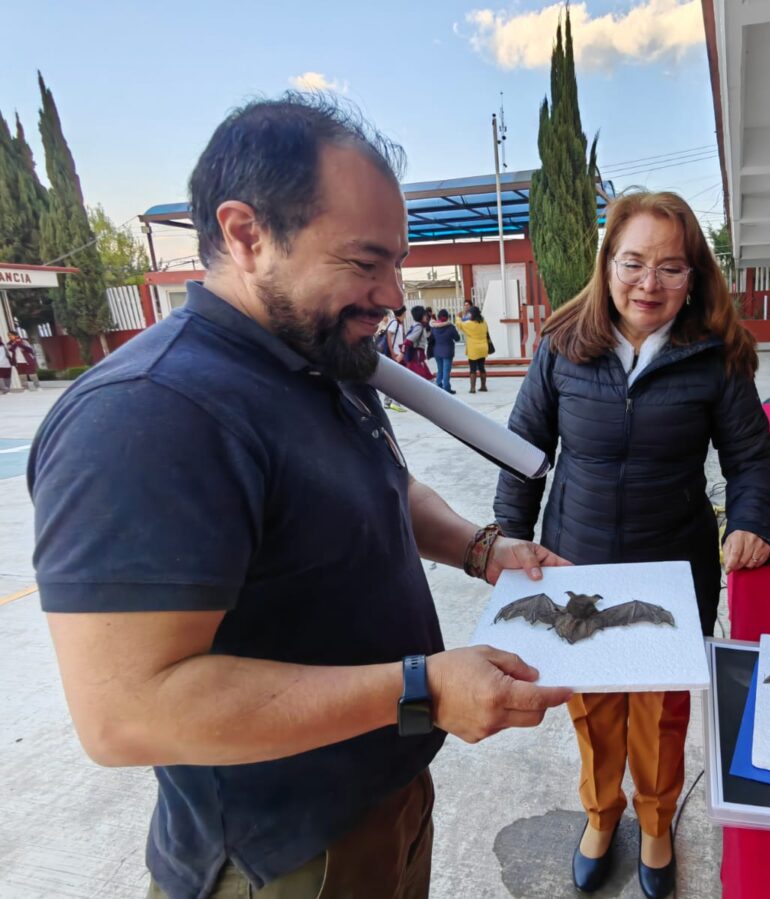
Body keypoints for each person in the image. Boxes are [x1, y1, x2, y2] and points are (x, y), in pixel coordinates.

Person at [28, 94, 572, 899]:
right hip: (283, 861)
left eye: (397, 262)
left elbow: (381, 486)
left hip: (385, 796)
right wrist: (420, 686)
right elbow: (124, 711)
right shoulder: (150, 412)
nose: (393, 293)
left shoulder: (318, 352)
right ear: (247, 234)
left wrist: (481, 548)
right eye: (365, 262)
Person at [493, 190, 770, 899]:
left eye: (671, 267)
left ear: (694, 276)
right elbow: (523, 449)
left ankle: (656, 823)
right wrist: (507, 539)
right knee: (592, 708)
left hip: (670, 568)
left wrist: (752, 520)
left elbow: (750, 460)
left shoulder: (715, 353)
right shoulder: (562, 342)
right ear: (607, 263)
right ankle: (601, 813)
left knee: (660, 711)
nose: (649, 283)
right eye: (633, 262)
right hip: (575, 561)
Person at [456, 306, 491, 394]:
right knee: (482, 367)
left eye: (469, 313)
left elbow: (459, 325)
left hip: (473, 349)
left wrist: (458, 317)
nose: (469, 315)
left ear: (473, 314)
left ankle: (472, 388)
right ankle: (483, 386)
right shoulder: (484, 322)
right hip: (483, 348)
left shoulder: (469, 324)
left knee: (473, 369)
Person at [428, 308, 459, 393]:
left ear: (438, 317)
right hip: (448, 352)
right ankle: (446, 388)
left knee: (440, 369)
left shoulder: (434, 327)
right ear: (447, 317)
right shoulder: (451, 327)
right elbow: (457, 338)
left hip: (437, 351)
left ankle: (438, 386)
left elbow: (431, 339)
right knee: (446, 371)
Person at [403, 304, 435, 380]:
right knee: (421, 378)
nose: (426, 317)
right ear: (420, 316)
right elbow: (408, 341)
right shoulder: (419, 327)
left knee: (421, 378)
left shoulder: (418, 326)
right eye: (424, 315)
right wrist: (401, 354)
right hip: (417, 356)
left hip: (417, 356)